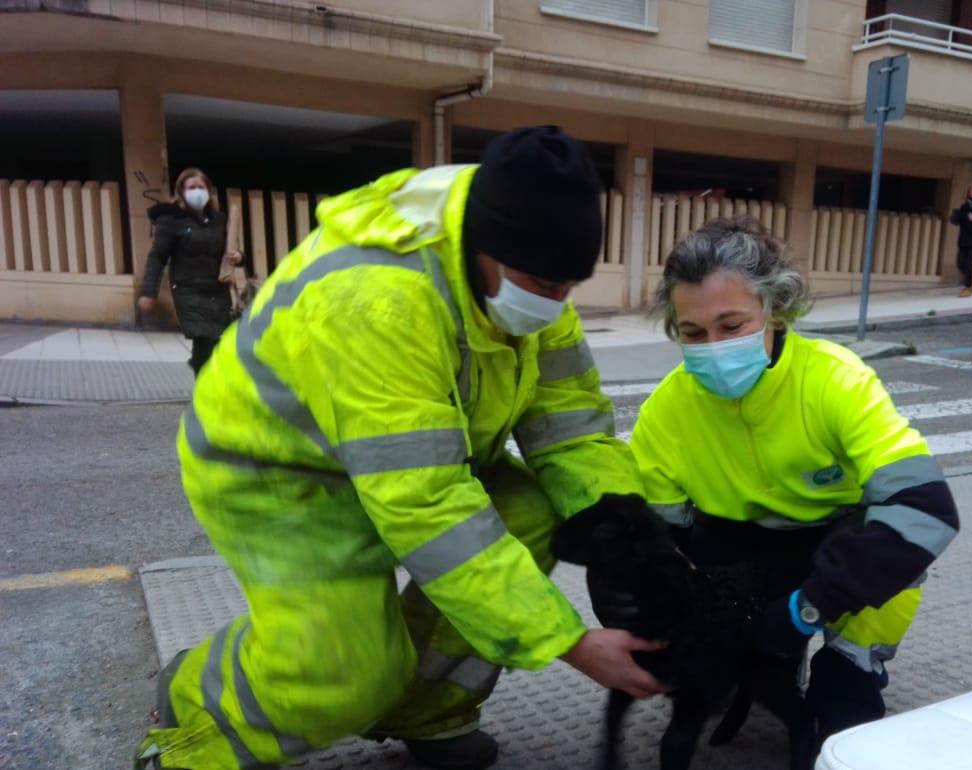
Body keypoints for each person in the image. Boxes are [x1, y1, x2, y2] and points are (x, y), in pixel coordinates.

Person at [134, 127, 669, 770]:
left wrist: (627, 531)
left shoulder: (529, 272)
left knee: (534, 514)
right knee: (349, 672)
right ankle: (196, 709)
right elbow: (427, 506)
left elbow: (571, 425)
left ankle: (425, 708)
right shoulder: (379, 299)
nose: (554, 303)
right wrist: (572, 641)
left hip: (404, 465)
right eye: (540, 282)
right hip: (281, 478)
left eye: (568, 286)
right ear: (481, 246)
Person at [627, 217, 960, 739]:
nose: (712, 346)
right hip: (740, 552)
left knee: (842, 714)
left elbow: (925, 512)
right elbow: (652, 540)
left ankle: (851, 660)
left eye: (731, 326)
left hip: (835, 550)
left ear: (775, 309)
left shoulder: (837, 379)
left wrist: (808, 609)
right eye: (692, 333)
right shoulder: (665, 409)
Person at [138, 168, 237, 374]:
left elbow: (230, 250)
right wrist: (148, 292)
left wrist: (240, 257)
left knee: (220, 341)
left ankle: (204, 371)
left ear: (209, 190)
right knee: (204, 336)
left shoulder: (218, 219)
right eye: (191, 187)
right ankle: (205, 385)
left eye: (201, 187)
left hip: (217, 289)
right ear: (181, 192)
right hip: (188, 290)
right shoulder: (171, 220)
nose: (197, 191)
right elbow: (157, 256)